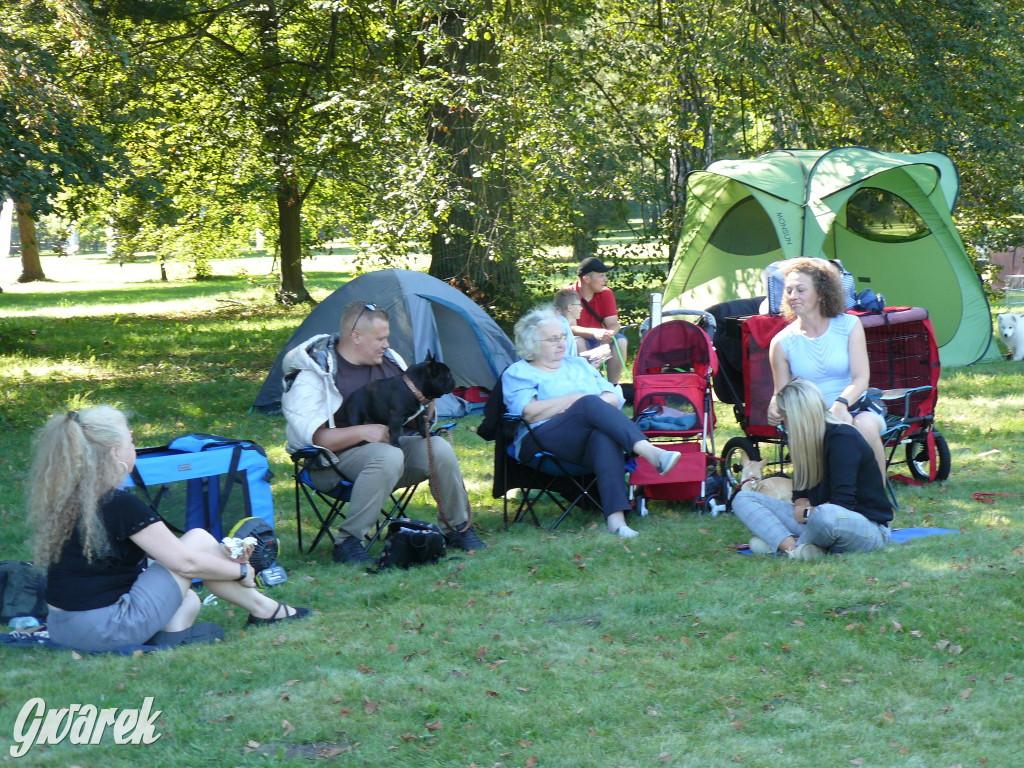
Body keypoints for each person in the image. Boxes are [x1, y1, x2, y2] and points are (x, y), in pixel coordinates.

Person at [28, 406, 309, 653]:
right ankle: (266, 610)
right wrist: (243, 571)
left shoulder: (69, 498)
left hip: (64, 628)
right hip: (104, 628)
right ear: (115, 453)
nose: (134, 446)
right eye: (131, 439)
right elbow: (185, 563)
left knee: (188, 601)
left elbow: (153, 559)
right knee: (197, 540)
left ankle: (171, 636)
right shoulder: (119, 504)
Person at [281, 300, 486, 564]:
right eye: (381, 338)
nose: (387, 344)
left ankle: (456, 528)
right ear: (356, 336)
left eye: (387, 337)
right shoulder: (315, 373)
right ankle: (349, 542)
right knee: (387, 455)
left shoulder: (390, 363)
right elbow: (314, 440)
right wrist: (364, 431)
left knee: (439, 448)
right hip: (333, 463)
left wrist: (429, 396)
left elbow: (412, 420)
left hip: (389, 455)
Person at [503, 308, 681, 538]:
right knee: (587, 403)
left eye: (562, 337)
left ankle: (617, 523)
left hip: (583, 442)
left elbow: (613, 397)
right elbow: (529, 412)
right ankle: (649, 452)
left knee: (603, 436)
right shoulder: (518, 372)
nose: (561, 344)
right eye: (553, 339)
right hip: (540, 440)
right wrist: (575, 403)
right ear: (532, 343)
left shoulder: (578, 365)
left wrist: (582, 409)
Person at [733, 379, 893, 559]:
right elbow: (799, 496)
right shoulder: (803, 444)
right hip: (816, 520)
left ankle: (784, 544)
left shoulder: (843, 439)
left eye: (785, 418)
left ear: (797, 417)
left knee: (826, 515)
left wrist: (808, 511)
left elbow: (842, 505)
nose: (785, 425)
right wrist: (805, 508)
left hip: (865, 526)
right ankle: (794, 548)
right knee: (743, 498)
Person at [767, 257, 887, 477]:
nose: (793, 296)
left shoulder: (849, 325)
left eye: (801, 290)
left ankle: (877, 500)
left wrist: (841, 404)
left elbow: (861, 378)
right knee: (823, 432)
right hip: (810, 414)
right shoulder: (781, 342)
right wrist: (774, 407)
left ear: (821, 293)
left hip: (854, 403)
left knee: (865, 427)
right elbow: (781, 394)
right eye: (789, 290)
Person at [569, 256, 628, 384]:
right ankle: (587, 385)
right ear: (586, 279)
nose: (605, 280)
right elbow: (570, 328)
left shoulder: (606, 293)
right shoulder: (568, 295)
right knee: (579, 342)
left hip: (601, 340)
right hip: (577, 340)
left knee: (621, 341)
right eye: (601, 276)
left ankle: (612, 386)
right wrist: (595, 333)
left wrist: (608, 334)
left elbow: (613, 324)